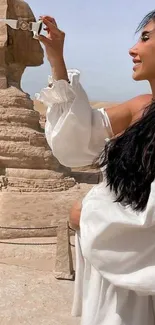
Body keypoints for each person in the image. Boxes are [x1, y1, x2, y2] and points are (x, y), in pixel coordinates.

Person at [38, 10, 155, 325]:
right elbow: (78, 139)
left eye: (146, 38)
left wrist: (88, 211)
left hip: (140, 273)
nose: (134, 49)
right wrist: (56, 59)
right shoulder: (140, 106)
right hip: (110, 273)